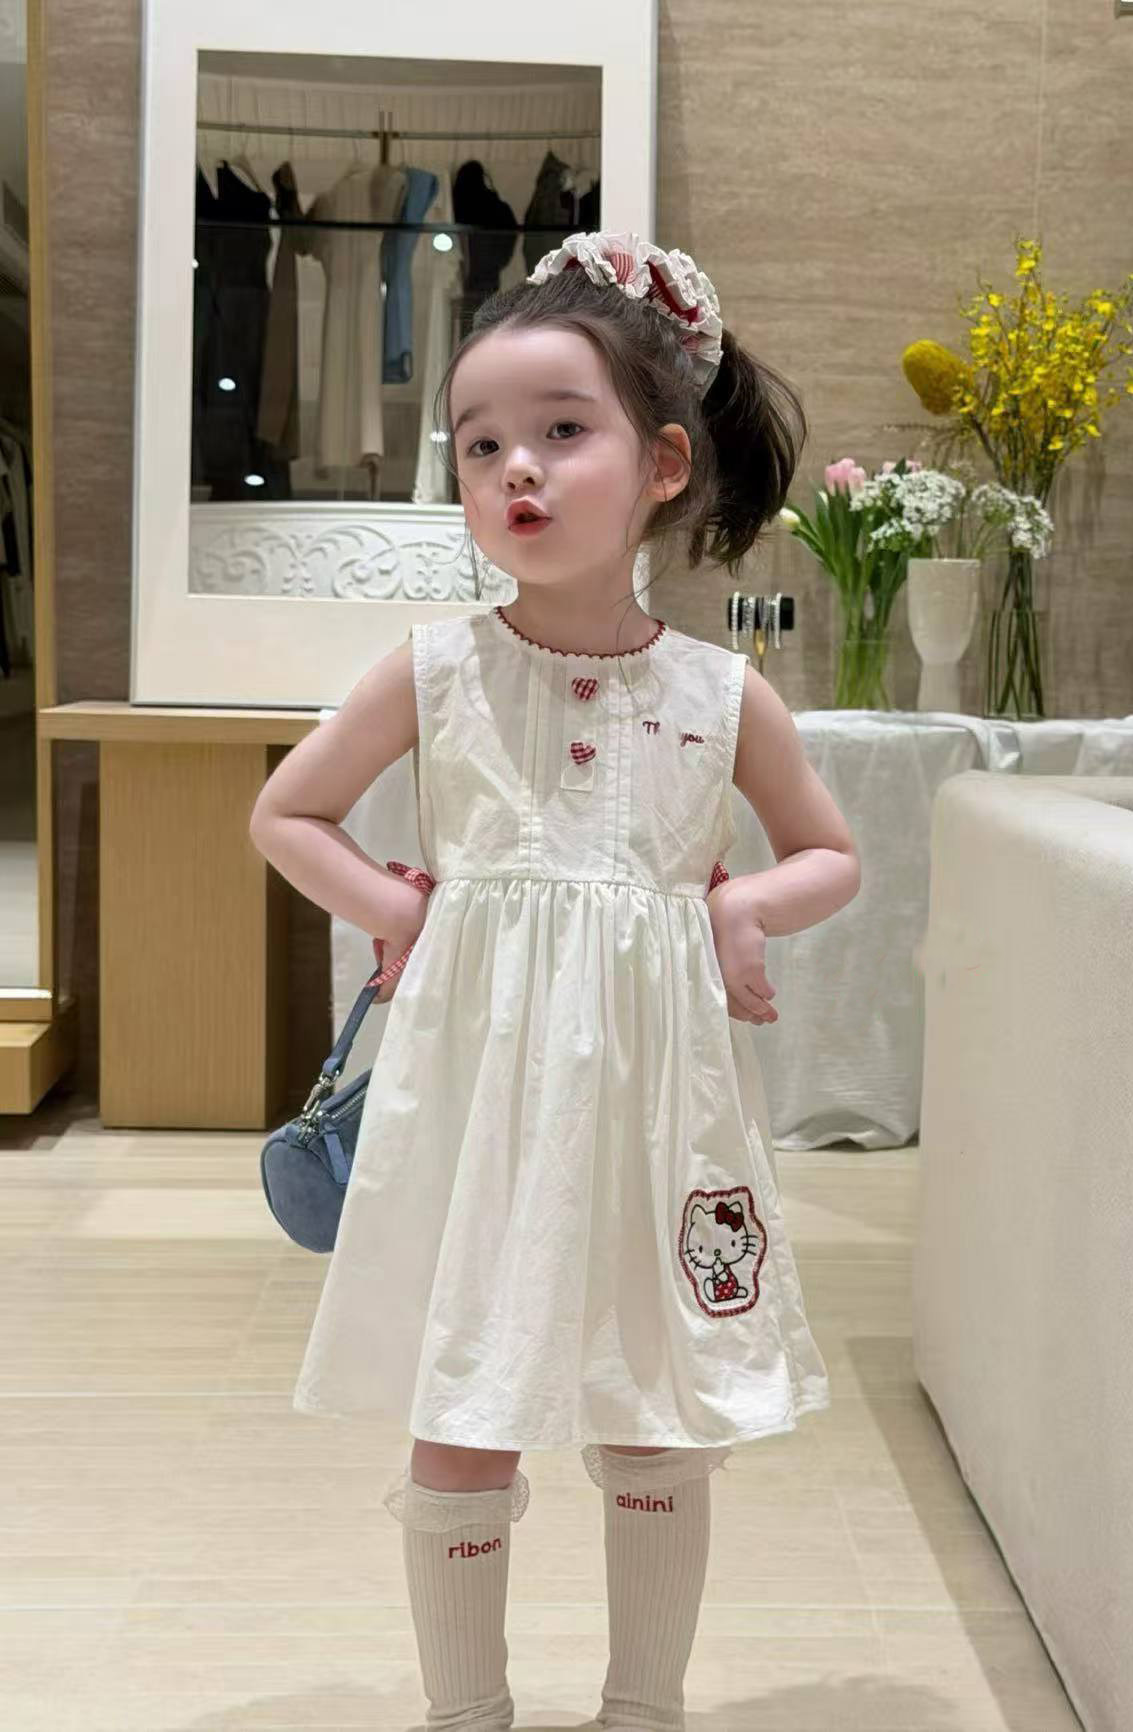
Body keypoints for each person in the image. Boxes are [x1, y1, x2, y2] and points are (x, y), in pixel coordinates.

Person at [248, 230, 861, 1732]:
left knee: (657, 1417)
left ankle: (644, 1708)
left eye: (561, 432)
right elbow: (287, 814)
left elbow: (830, 855)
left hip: (659, 1114)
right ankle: (468, 1714)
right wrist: (393, 908)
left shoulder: (722, 693)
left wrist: (743, 909)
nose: (514, 470)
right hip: (481, 1109)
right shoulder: (436, 668)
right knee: (463, 1410)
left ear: (663, 464)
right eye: (480, 446)